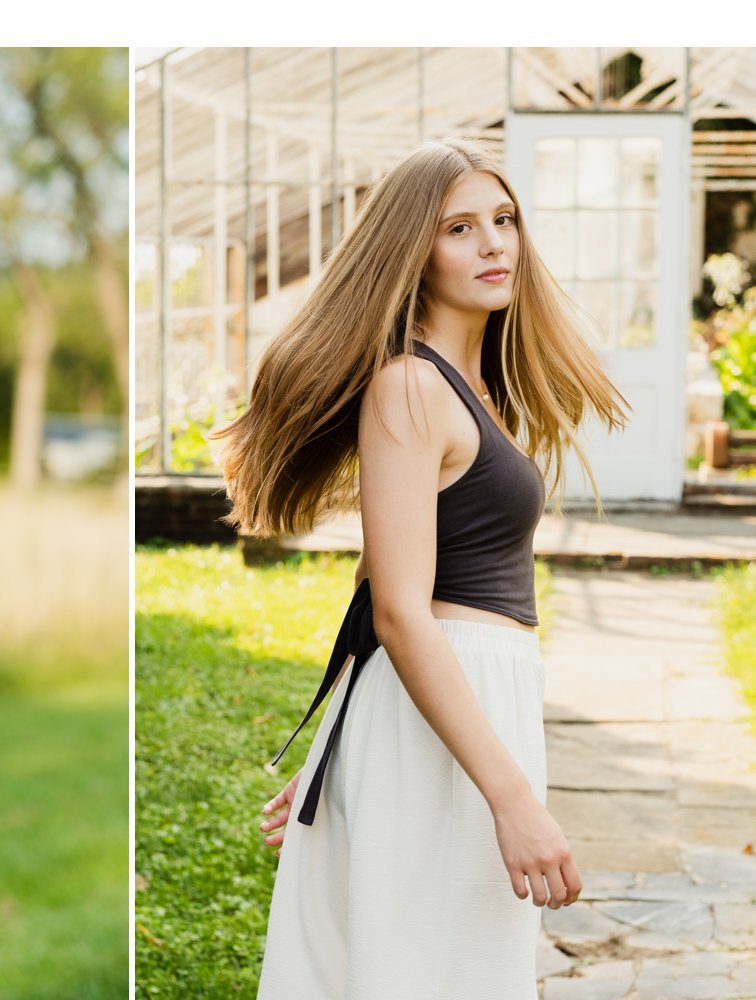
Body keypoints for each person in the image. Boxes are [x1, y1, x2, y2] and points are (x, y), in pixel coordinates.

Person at [221, 137, 628, 998]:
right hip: (451, 697)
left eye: (505, 220)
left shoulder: (471, 390)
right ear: (414, 249)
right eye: (460, 227)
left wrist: (347, 744)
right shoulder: (410, 386)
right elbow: (402, 609)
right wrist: (511, 799)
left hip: (451, 707)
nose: (494, 244)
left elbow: (378, 587)